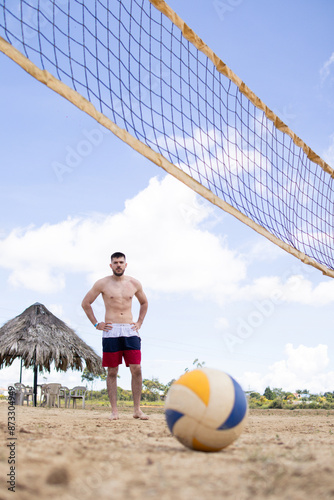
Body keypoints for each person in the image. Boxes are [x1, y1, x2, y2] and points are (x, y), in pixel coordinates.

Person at [81, 252, 149, 420]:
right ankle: (114, 411)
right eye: (115, 262)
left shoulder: (134, 283)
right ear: (110, 265)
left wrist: (139, 322)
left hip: (129, 329)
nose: (118, 265)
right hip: (110, 330)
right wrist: (97, 324)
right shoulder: (102, 283)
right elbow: (86, 303)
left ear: (126, 265)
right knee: (112, 371)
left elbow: (144, 303)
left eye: (121, 262)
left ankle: (137, 410)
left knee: (137, 368)